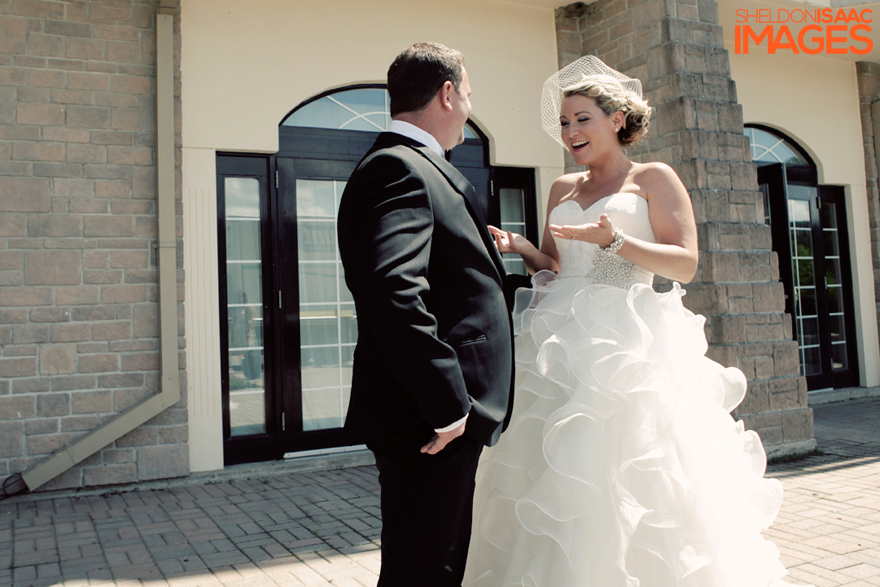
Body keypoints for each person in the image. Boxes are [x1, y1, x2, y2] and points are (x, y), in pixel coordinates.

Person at [464, 56, 808, 587]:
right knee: (557, 463)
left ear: (617, 119)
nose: (571, 131)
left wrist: (618, 242)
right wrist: (524, 249)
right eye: (564, 122)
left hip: (631, 340)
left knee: (634, 463)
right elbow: (557, 269)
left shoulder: (652, 178)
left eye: (582, 119)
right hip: (560, 345)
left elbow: (686, 262)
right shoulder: (561, 189)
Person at [337, 42, 515, 587]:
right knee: (424, 568)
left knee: (435, 561)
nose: (468, 106)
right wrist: (447, 404)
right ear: (447, 93)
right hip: (431, 420)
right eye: (468, 93)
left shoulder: (416, 166)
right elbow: (393, 290)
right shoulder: (398, 168)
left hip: (438, 417)